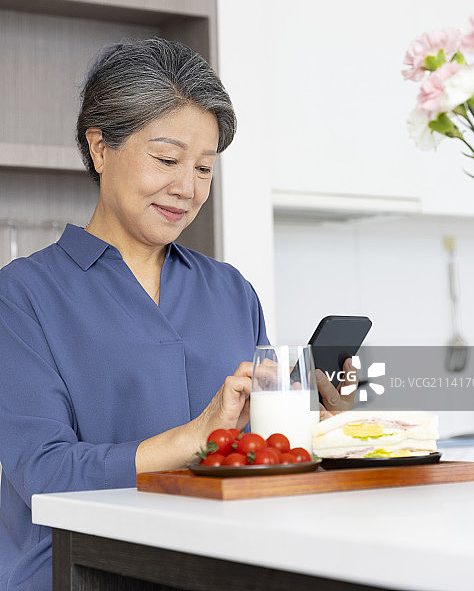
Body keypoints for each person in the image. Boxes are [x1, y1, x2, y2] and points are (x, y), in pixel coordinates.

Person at [0, 37, 356, 591]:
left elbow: (256, 452)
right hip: (74, 575)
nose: (186, 189)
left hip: (212, 571)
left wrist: (319, 424)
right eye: (166, 160)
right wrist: (194, 437)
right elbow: (45, 471)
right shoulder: (22, 294)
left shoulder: (230, 289)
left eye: (205, 169)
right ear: (100, 148)